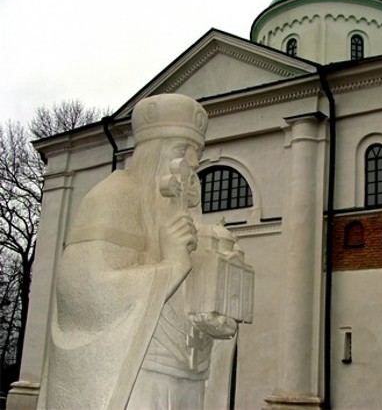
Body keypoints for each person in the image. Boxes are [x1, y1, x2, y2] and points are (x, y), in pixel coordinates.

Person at [38, 94, 238, 409]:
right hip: (140, 371)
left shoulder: (182, 211)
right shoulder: (112, 197)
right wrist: (170, 265)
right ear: (153, 152)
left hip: (191, 371)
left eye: (198, 151)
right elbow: (81, 292)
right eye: (181, 150)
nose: (194, 163)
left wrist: (219, 294)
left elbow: (192, 298)